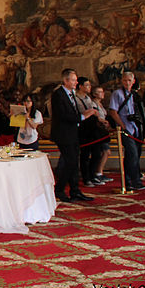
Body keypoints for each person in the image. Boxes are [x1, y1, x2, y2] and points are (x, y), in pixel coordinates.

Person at [51, 68, 97, 203]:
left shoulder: (72, 93)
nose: (76, 82)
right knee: (70, 162)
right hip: (63, 134)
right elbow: (63, 115)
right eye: (73, 80)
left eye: (76, 80)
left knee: (74, 163)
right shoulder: (58, 95)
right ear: (66, 80)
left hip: (73, 133)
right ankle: (59, 190)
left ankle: (75, 191)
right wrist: (83, 116)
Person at [108, 72, 145, 192]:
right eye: (125, 80)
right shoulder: (117, 94)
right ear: (121, 81)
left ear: (133, 81)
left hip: (135, 128)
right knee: (132, 154)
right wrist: (123, 125)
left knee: (133, 155)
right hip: (125, 129)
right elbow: (113, 111)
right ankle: (133, 181)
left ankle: (130, 180)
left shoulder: (134, 94)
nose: (127, 83)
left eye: (129, 80)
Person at [75, 77, 104, 187]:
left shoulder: (88, 98)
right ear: (80, 86)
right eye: (87, 85)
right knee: (85, 154)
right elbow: (83, 112)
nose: (89, 87)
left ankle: (93, 175)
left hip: (93, 128)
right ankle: (86, 178)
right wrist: (91, 112)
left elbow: (94, 112)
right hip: (83, 129)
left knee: (97, 153)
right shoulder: (76, 98)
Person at [90, 86, 113, 183]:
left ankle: (99, 172)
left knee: (104, 152)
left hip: (103, 131)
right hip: (97, 132)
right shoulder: (93, 104)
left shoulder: (100, 104)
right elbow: (95, 117)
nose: (102, 93)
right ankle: (98, 173)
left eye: (102, 91)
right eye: (100, 92)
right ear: (95, 94)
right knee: (105, 151)